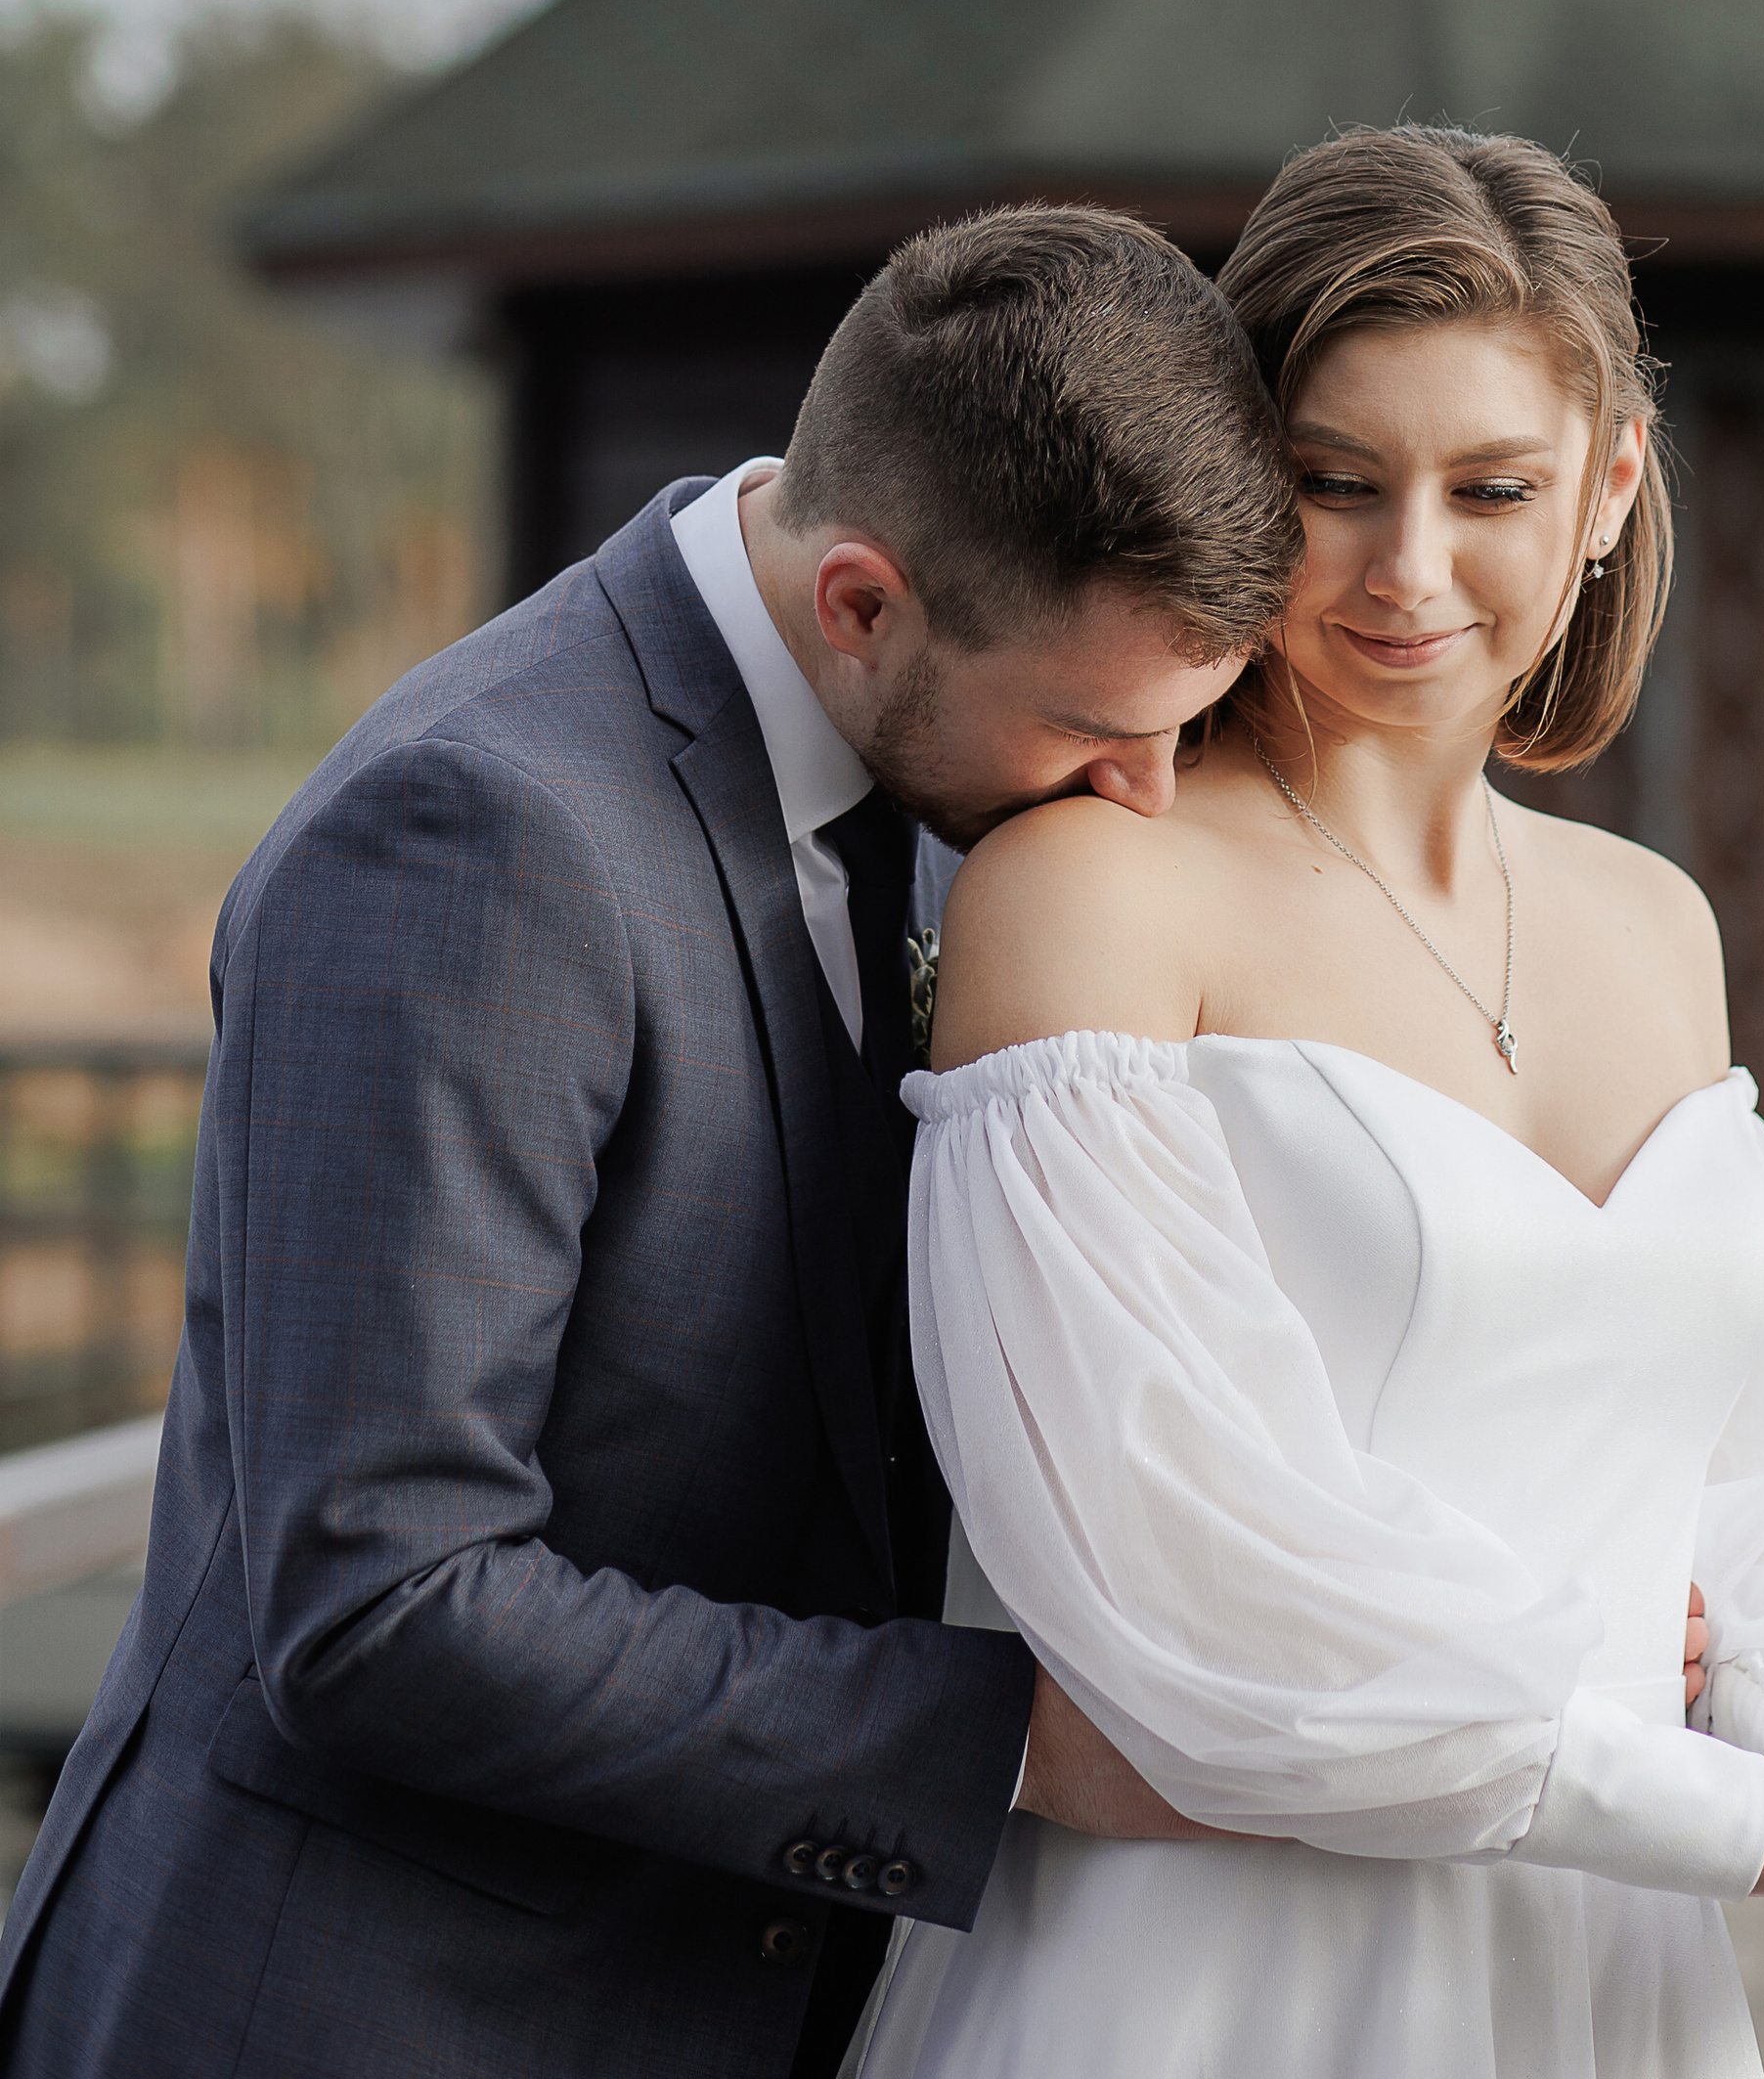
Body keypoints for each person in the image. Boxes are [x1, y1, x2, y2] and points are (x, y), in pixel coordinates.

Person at [852, 126, 1764, 2079]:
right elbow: (1160, 1560)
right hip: (1219, 1978)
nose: (1408, 570)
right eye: (1330, 484)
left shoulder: (1655, 926)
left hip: (1603, 1975)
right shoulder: (1096, 894)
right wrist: (1728, 1801)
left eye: (1490, 488)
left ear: (1608, 484)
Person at [0, 206, 1304, 2079]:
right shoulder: (475, 840)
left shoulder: (918, 750)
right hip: (364, 2014)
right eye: (1101, 733)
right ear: (860, 602)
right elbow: (384, 1596)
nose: (1147, 797)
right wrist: (1006, 1739)